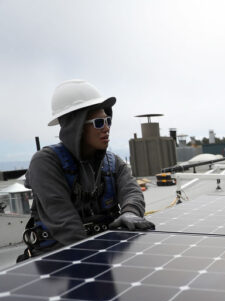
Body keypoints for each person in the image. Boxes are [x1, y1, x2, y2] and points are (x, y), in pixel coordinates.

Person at [17, 79, 155, 262]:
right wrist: (98, 263)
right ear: (76, 126)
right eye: (98, 122)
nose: (106, 128)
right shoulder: (45, 163)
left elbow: (132, 192)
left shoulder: (114, 163)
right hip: (58, 263)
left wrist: (130, 212)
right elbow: (65, 223)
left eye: (108, 120)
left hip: (105, 256)